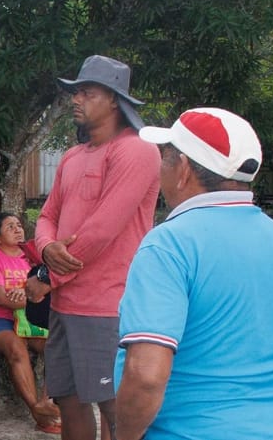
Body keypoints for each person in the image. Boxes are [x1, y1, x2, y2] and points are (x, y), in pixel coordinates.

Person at [114, 107, 273, 440]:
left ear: (183, 169)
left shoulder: (168, 245)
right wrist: (267, 413)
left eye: (165, 158)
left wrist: (125, 436)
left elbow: (146, 373)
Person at [27, 55, 161, 440]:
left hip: (107, 304)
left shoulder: (136, 151)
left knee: (112, 403)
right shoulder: (72, 156)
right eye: (75, 92)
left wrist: (48, 275)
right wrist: (47, 247)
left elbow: (102, 230)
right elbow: (47, 215)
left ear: (115, 101)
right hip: (65, 304)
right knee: (68, 401)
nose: (76, 99)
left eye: (87, 92)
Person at [0, 212, 61, 435]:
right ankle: (36, 411)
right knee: (16, 348)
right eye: (9, 227)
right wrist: (32, 297)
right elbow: (0, 298)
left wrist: (25, 296)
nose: (17, 229)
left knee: (57, 346)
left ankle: (48, 403)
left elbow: (49, 291)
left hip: (30, 320)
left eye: (19, 225)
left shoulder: (32, 257)